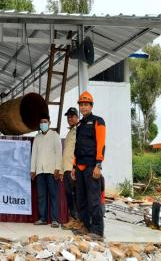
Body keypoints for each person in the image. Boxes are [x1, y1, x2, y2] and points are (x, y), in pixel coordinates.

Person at [72, 91, 106, 241]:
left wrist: (99, 164)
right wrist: (74, 166)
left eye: (86, 104)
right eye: (81, 105)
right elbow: (76, 147)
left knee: (93, 200)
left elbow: (101, 144)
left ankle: (98, 230)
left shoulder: (99, 121)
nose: (84, 107)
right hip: (79, 167)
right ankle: (86, 226)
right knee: (81, 200)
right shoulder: (79, 125)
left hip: (92, 166)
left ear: (91, 106)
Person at [30, 114, 63, 228]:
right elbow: (34, 154)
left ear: (49, 123)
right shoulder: (37, 137)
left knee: (53, 195)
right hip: (39, 171)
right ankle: (42, 218)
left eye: (45, 122)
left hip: (51, 170)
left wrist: (58, 169)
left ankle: (54, 220)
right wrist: (32, 170)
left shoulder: (55, 135)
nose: (43, 124)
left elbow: (59, 153)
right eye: (41, 122)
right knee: (41, 196)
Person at [61, 107, 80, 230]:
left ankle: (77, 220)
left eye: (72, 116)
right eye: (68, 117)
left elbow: (79, 149)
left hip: (73, 169)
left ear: (77, 117)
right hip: (67, 168)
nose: (70, 119)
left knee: (75, 195)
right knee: (69, 195)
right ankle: (73, 219)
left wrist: (75, 167)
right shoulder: (70, 131)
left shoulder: (79, 130)